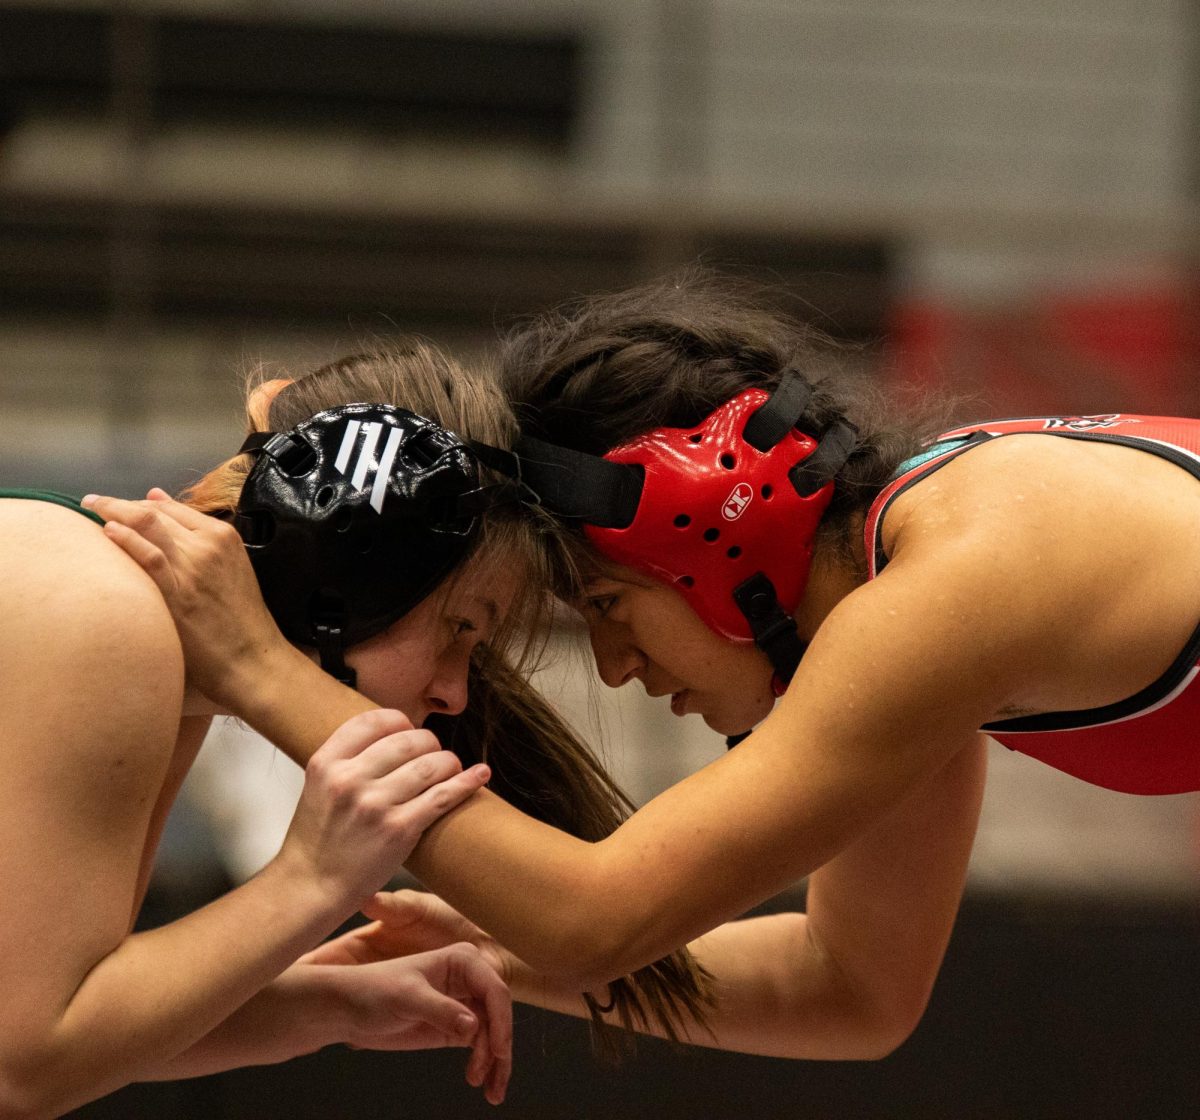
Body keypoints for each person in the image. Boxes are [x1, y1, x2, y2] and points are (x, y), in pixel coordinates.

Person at [90, 273, 1200, 1064]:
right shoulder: (923, 588)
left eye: (611, 607)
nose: (617, 669)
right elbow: (852, 990)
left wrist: (262, 672)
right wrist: (496, 948)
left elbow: (600, 916)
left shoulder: (954, 584)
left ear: (713, 521)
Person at [0, 342, 558, 1116]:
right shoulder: (113, 623)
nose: (455, 693)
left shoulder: (149, 641)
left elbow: (73, 1018)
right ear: (349, 561)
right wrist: (313, 879)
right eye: (458, 629)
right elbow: (23, 1064)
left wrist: (331, 1004)